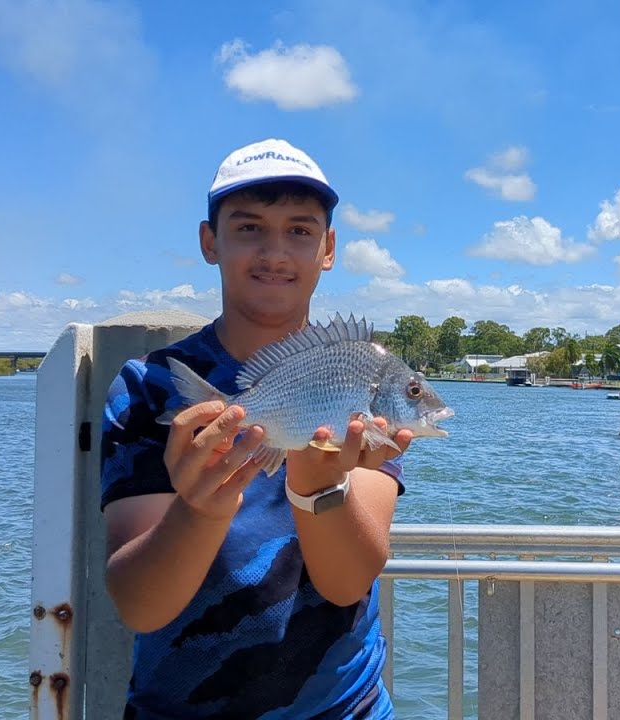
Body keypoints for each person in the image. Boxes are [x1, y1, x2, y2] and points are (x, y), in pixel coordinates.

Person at [99, 138, 412, 719]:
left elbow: (346, 584)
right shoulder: (152, 387)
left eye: (300, 230)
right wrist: (200, 508)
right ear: (209, 241)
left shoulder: (365, 375)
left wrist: (317, 491)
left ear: (328, 249)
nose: (276, 251)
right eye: (248, 228)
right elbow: (141, 606)